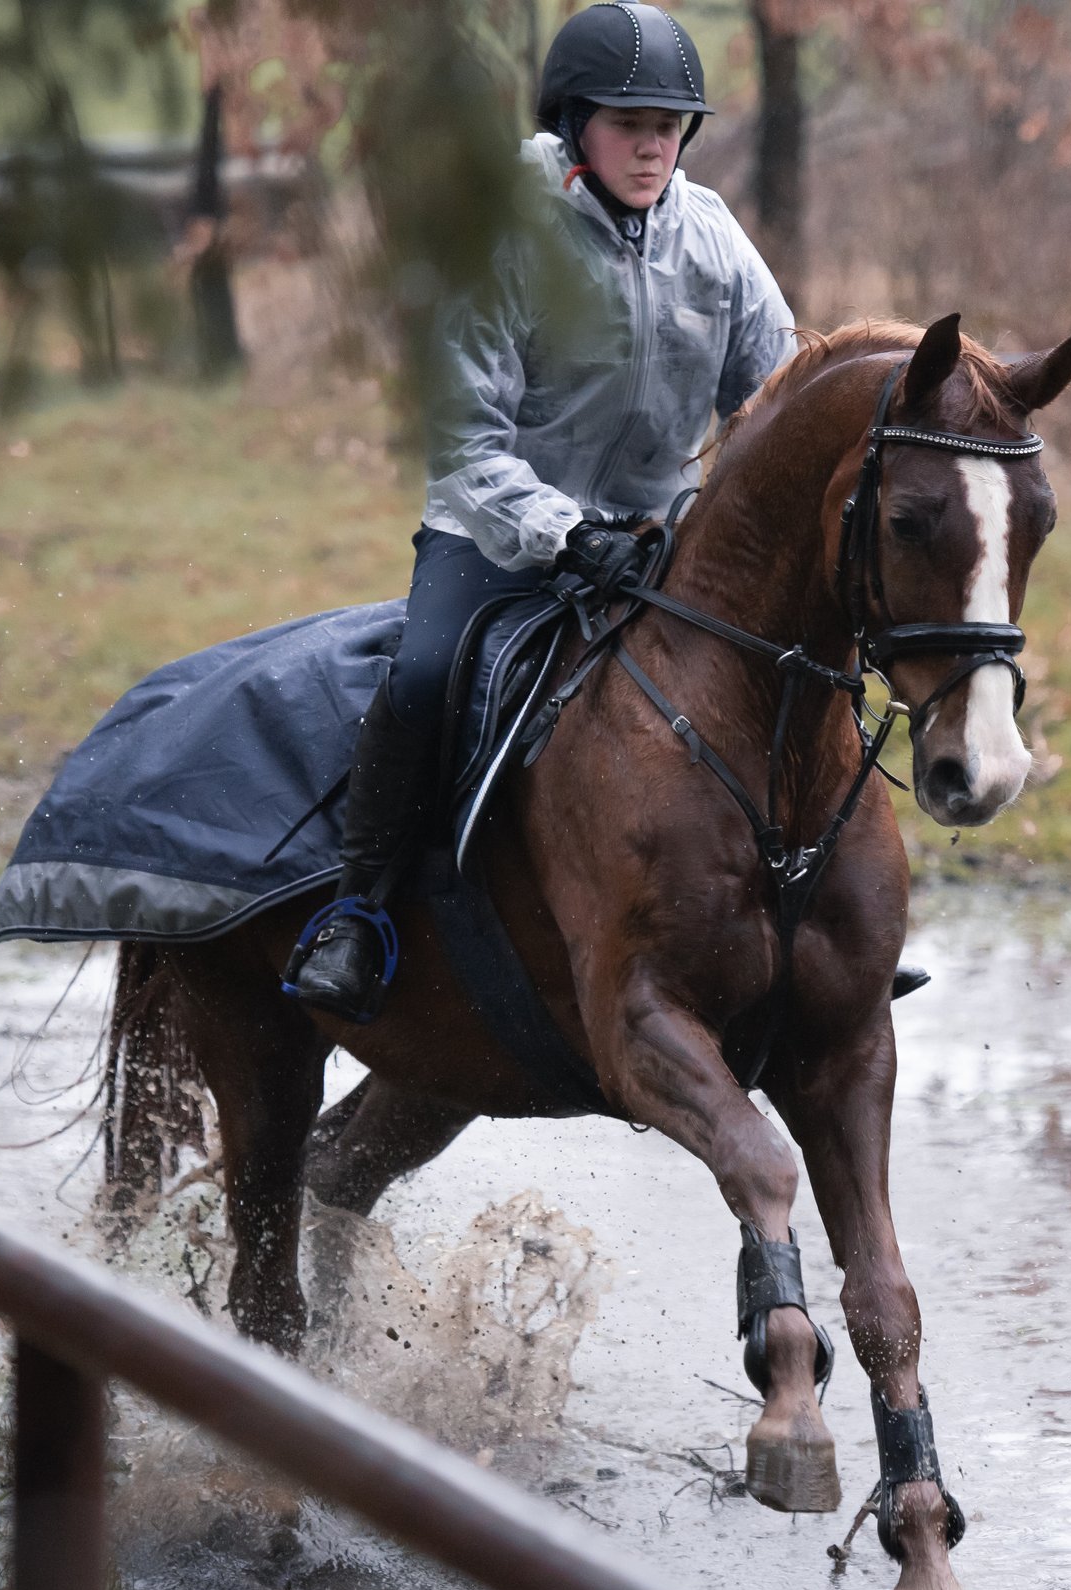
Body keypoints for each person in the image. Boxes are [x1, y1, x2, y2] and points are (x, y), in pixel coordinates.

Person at [286, 0, 797, 1022]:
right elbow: (467, 445)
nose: (653, 143)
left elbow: (774, 397)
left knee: (780, 677)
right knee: (426, 676)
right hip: (497, 536)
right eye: (627, 121)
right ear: (573, 121)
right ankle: (360, 913)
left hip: (660, 542)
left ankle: (802, 920)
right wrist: (565, 534)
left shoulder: (712, 240)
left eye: (669, 123)